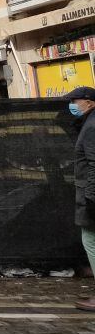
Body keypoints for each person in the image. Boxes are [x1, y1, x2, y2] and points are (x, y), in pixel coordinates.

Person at [65, 86, 95, 311]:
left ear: (90, 102)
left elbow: (94, 165)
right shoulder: (87, 123)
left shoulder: (92, 126)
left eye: (76, 100)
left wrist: (91, 198)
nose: (72, 104)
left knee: (91, 242)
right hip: (89, 194)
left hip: (90, 196)